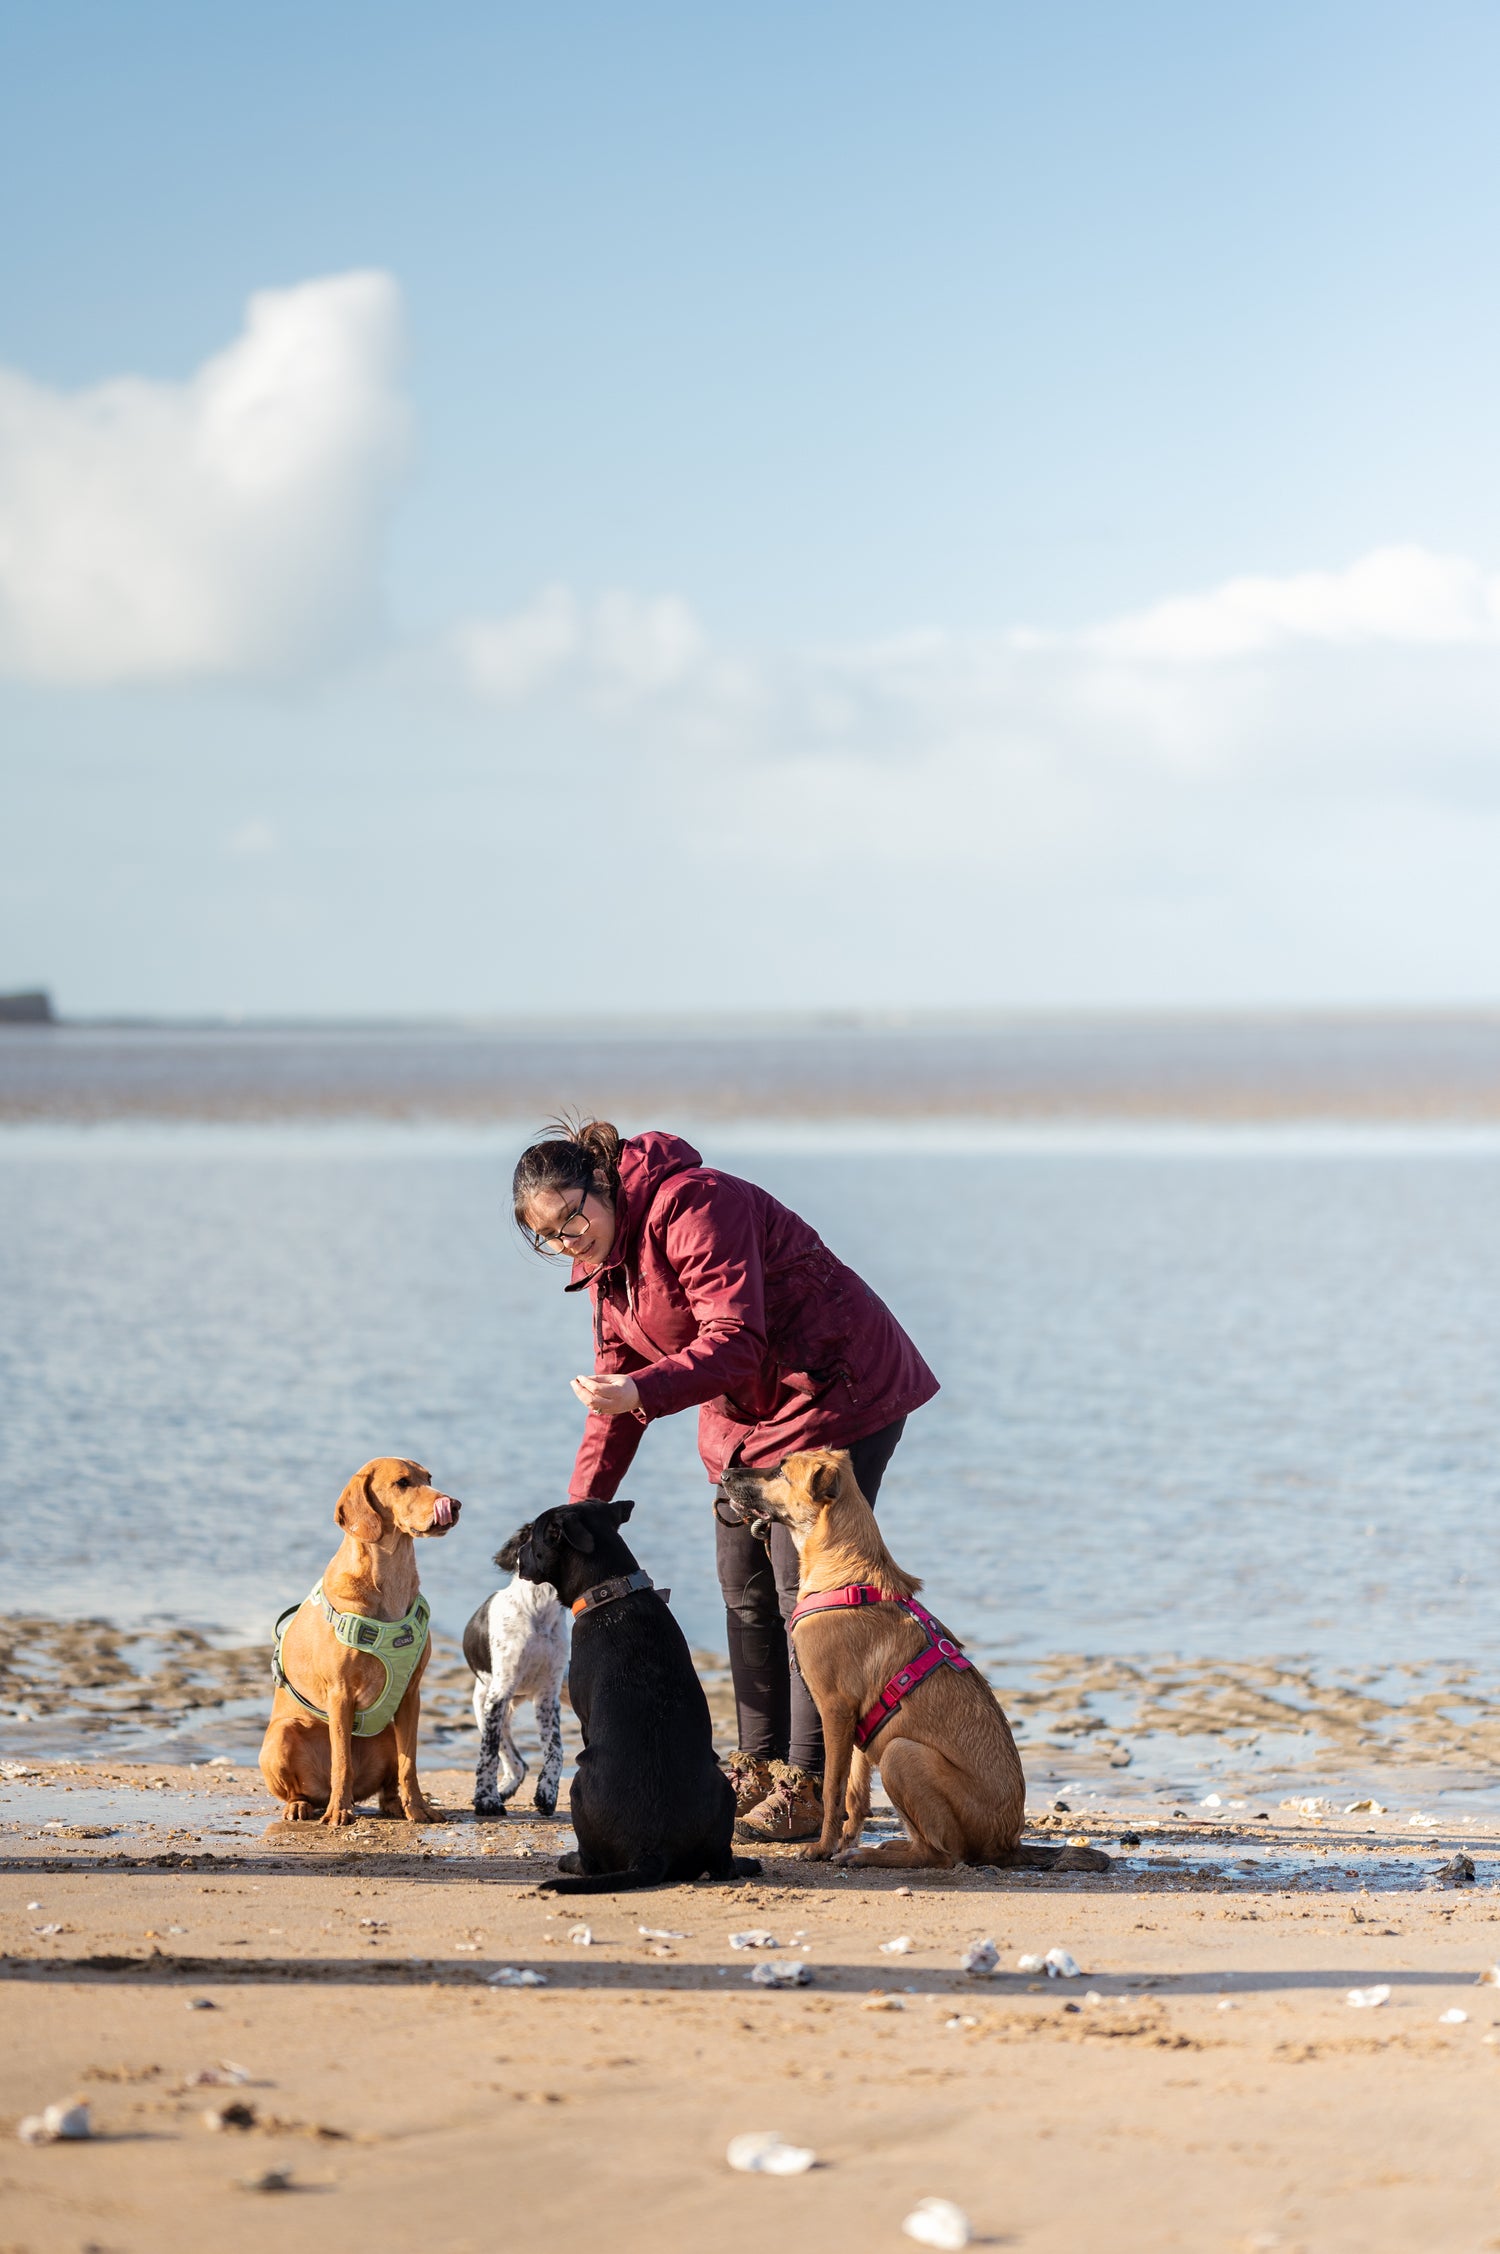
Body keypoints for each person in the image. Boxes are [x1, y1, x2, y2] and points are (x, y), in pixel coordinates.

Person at [513, 1118, 939, 1843]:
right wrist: (578, 1514)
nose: (568, 1240)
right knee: (742, 1591)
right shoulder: (606, 1268)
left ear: (602, 1184)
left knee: (801, 1598)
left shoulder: (694, 1203)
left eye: (573, 1217)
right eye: (547, 1237)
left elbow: (736, 1340)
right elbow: (618, 1401)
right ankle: (758, 1767)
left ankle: (808, 1787)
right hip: (745, 1417)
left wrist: (642, 1390)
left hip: (837, 1391)